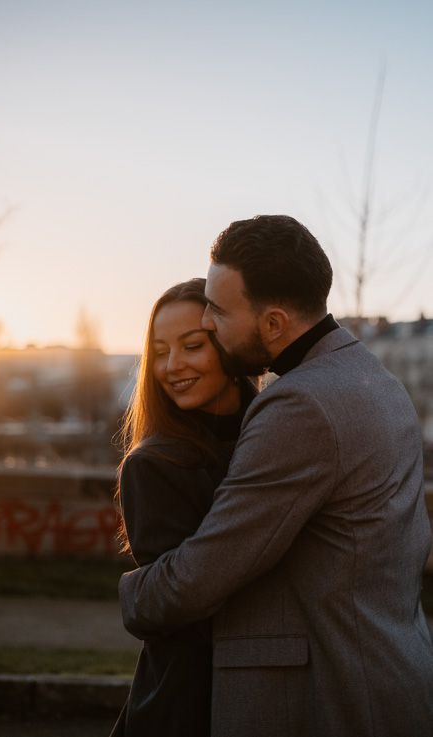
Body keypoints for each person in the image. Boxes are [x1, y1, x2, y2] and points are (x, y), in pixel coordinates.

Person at [119, 215, 433, 736]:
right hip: (391, 666)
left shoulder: (300, 404)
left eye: (218, 312)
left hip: (332, 692)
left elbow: (205, 573)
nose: (211, 324)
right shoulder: (373, 378)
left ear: (273, 324)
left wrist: (134, 595)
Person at [109, 278, 258, 737]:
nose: (172, 366)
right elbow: (175, 602)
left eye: (192, 345)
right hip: (189, 693)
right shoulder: (153, 464)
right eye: (158, 351)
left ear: (231, 348)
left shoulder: (279, 434)